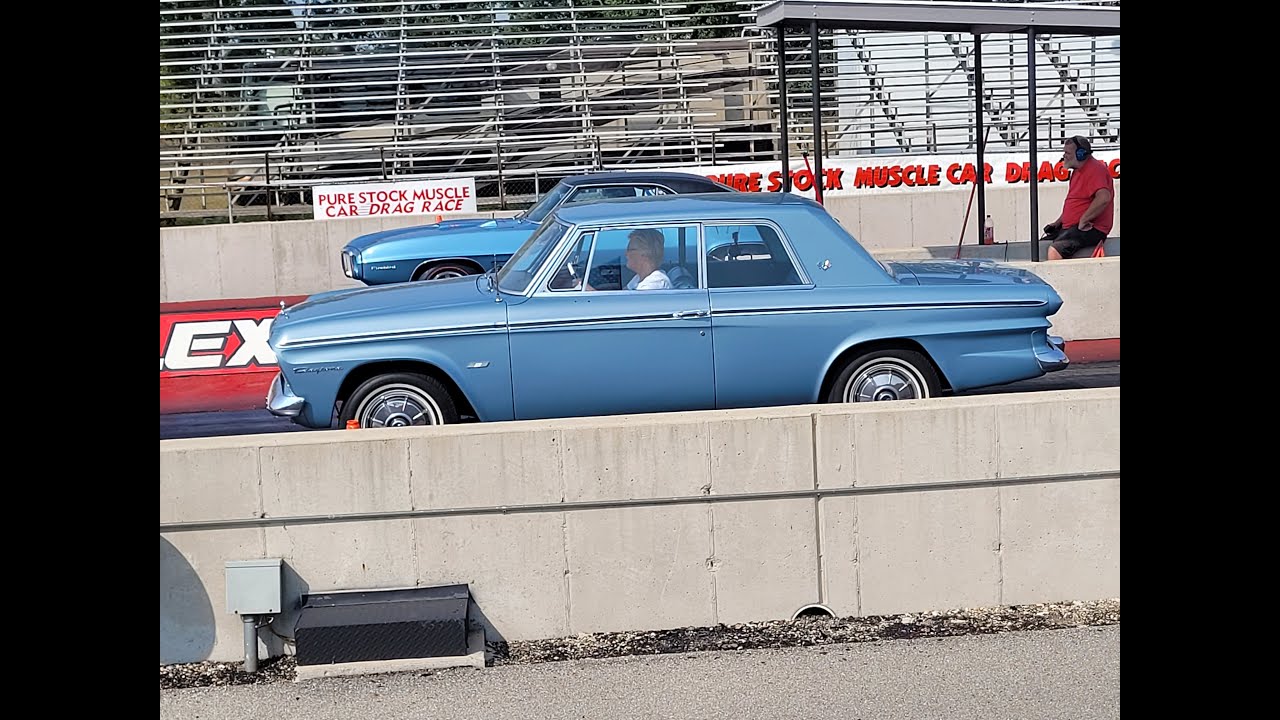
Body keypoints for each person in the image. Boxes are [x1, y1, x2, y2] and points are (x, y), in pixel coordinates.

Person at [1043, 135, 1115, 260]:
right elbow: (1075, 202)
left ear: (1081, 154)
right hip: (1073, 227)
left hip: (1093, 229)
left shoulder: (1095, 169)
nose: (1064, 155)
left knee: (1055, 251)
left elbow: (1104, 198)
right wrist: (1058, 223)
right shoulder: (1077, 171)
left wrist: (1084, 220)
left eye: (1067, 152)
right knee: (1041, 244)